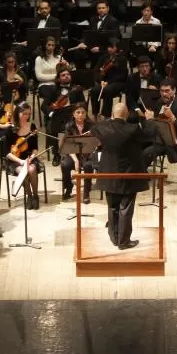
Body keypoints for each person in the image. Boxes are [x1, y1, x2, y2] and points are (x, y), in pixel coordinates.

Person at [93, 104, 152, 250]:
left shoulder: (101, 127)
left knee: (112, 206)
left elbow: (95, 130)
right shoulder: (133, 129)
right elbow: (149, 136)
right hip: (128, 175)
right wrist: (149, 120)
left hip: (108, 174)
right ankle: (124, 241)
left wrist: (108, 120)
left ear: (112, 114)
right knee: (125, 207)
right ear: (126, 116)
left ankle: (114, 238)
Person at [59, 104, 96, 203]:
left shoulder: (91, 125)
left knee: (88, 165)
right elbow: (68, 145)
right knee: (65, 164)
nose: (80, 115)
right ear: (73, 114)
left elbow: (96, 143)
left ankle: (86, 192)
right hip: (73, 154)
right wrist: (75, 160)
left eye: (83, 112)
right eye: (78, 112)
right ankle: (69, 187)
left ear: (86, 114)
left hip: (87, 154)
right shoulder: (69, 126)